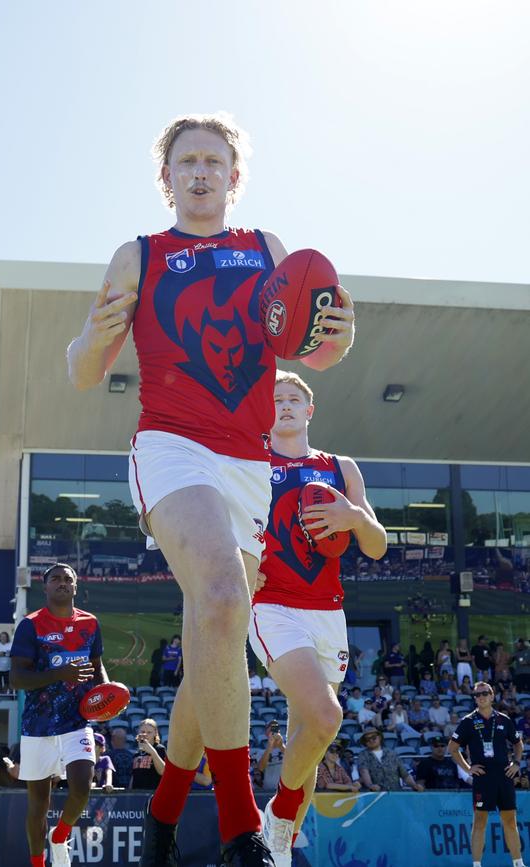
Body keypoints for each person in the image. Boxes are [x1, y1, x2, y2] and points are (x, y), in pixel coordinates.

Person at [67, 113, 355, 867]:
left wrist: (338, 335)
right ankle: (240, 831)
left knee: (215, 637)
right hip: (170, 447)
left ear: (235, 176)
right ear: (166, 179)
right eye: (187, 161)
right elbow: (79, 367)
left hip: (247, 465)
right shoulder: (139, 256)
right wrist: (96, 336)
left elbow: (317, 348)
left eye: (215, 161)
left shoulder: (269, 253)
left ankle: (163, 815)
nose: (201, 172)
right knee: (225, 597)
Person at [248, 370, 386, 864]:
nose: (283, 405)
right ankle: (280, 815)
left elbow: (377, 545)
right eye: (275, 399)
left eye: (293, 399)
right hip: (272, 607)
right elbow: (218, 529)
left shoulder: (339, 467)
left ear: (310, 410)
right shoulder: (248, 460)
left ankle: (279, 849)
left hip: (328, 614)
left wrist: (355, 518)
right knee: (328, 716)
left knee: (308, 743)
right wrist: (241, 567)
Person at [10, 562, 108, 867]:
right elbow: (16, 678)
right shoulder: (31, 625)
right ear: (46, 587)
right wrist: (59, 673)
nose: (62, 582)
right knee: (38, 805)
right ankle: (38, 862)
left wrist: (105, 692)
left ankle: (60, 834)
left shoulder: (90, 623)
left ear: (76, 587)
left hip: (77, 721)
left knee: (82, 786)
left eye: (68, 579)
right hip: (38, 726)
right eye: (56, 578)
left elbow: (97, 665)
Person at [448, 681, 526, 867]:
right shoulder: (468, 721)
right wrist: (468, 768)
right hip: (483, 779)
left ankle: (518, 863)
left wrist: (516, 763)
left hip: (504, 776)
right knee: (480, 821)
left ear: (492, 695)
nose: (481, 697)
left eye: (484, 693)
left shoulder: (504, 719)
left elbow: (518, 743)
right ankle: (477, 865)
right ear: (474, 699)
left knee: (510, 820)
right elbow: (452, 748)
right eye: (477, 695)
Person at [357, 729, 423, 792]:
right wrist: (371, 785)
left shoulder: (392, 753)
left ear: (379, 738)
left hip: (395, 793)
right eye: (367, 739)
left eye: (374, 737)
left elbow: (405, 775)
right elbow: (364, 772)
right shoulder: (362, 755)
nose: (371, 740)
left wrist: (414, 785)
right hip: (375, 795)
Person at [130, 719, 167, 791]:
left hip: (153, 794)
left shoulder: (160, 749)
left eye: (149, 732)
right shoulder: (137, 753)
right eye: (142, 732)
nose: (145, 735)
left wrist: (152, 752)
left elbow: (163, 771)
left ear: (155, 733)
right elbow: (133, 776)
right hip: (137, 795)